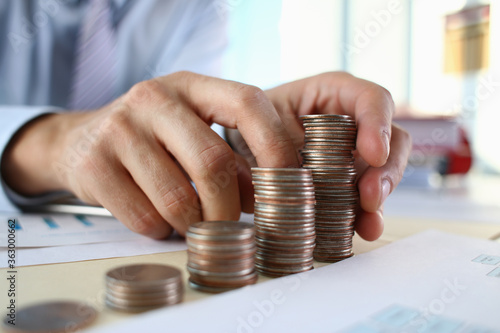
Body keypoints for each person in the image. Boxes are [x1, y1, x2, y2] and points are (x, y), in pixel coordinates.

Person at [0, 0, 411, 242]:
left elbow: (176, 126)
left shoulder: (198, 9)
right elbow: (120, 128)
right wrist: (52, 142)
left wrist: (240, 135)